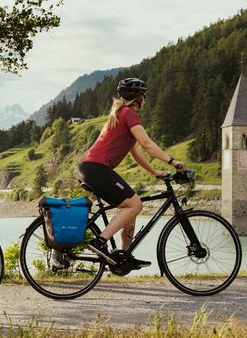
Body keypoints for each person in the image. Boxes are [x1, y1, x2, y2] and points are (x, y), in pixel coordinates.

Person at [74, 77, 184, 270]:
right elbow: (147, 144)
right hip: (97, 169)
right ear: (138, 98)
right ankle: (100, 242)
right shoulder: (129, 114)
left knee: (129, 206)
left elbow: (135, 152)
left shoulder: (119, 114)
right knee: (135, 205)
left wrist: (154, 171)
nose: (145, 100)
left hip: (89, 169)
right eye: (144, 96)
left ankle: (124, 256)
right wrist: (173, 162)